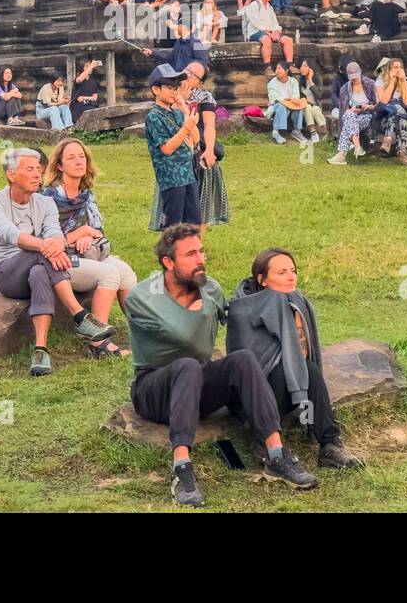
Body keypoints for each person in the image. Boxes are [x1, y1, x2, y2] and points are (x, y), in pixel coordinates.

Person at [127, 224, 318, 507]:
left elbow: (241, 318)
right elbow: (186, 336)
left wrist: (281, 302)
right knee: (188, 365)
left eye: (201, 252)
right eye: (190, 254)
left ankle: (276, 455)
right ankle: (182, 469)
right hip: (154, 389)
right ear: (168, 263)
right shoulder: (142, 297)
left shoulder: (210, 288)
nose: (201, 259)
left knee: (242, 359)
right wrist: (203, 307)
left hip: (197, 384)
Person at [227, 248, 364, 470]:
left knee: (307, 368)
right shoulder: (240, 310)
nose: (291, 277)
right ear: (262, 280)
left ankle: (330, 445)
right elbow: (248, 368)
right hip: (252, 398)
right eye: (282, 272)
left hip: (289, 390)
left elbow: (302, 355)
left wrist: (295, 316)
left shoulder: (295, 302)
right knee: (288, 369)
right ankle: (265, 443)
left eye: (293, 270)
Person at [0, 148, 116, 375]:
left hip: (37, 267)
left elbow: (55, 233)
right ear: (11, 175)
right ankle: (80, 316)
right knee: (40, 254)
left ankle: (40, 350)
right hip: (7, 274)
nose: (38, 174)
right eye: (30, 169)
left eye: (39, 169)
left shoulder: (44, 203)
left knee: (39, 272)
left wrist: (54, 244)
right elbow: (12, 236)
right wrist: (50, 246)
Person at [41, 138, 136, 357]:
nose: (78, 161)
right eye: (71, 157)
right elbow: (47, 242)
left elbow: (98, 230)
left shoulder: (86, 194)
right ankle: (98, 344)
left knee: (125, 272)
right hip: (60, 261)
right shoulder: (48, 198)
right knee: (110, 274)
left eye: (81, 156)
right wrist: (79, 234)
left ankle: (142, 334)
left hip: (88, 251)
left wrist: (88, 234)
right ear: (60, 165)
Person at [146, 63, 202, 229]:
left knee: (193, 222)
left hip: (188, 175)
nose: (174, 91)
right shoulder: (154, 117)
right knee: (173, 225)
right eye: (169, 87)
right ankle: (171, 254)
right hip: (171, 179)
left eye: (176, 87)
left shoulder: (177, 112)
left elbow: (196, 139)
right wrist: (186, 127)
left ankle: (190, 252)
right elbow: (167, 148)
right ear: (156, 89)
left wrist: (184, 109)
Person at [180, 61, 230, 228]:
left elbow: (209, 126)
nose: (188, 74)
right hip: (176, 151)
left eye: (194, 74)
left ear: (200, 82)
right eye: (187, 70)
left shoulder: (204, 96)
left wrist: (209, 150)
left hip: (198, 151)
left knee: (201, 201)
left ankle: (197, 244)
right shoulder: (171, 90)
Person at [328, 61, 378, 166]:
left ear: (360, 72)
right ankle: (355, 148)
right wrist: (352, 110)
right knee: (348, 115)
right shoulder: (345, 89)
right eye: (352, 77)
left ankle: (343, 154)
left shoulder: (370, 84)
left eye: (356, 76)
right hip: (353, 118)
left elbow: (379, 104)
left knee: (348, 117)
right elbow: (343, 113)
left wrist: (368, 106)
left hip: (369, 116)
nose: (354, 79)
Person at [373, 58, 407, 164]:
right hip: (382, 118)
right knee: (398, 110)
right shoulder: (380, 82)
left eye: (400, 67)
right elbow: (384, 101)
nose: (398, 70)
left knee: (399, 114)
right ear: (389, 69)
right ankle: (402, 152)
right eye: (395, 67)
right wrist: (392, 82)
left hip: (396, 118)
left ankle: (389, 139)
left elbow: (406, 102)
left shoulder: (405, 83)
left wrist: (402, 81)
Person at [243, 0, 295, 69]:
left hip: (271, 32)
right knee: (266, 40)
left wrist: (277, 33)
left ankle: (290, 65)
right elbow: (257, 23)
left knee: (288, 40)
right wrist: (269, 34)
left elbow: (275, 23)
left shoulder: (269, 7)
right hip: (256, 32)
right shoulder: (253, 6)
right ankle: (267, 67)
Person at [266, 61, 307, 145]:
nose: (277, 71)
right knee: (281, 106)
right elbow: (275, 99)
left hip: (291, 105)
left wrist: (292, 100)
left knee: (298, 107)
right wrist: (289, 99)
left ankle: (297, 131)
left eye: (280, 69)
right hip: (277, 106)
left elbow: (296, 96)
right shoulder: (272, 83)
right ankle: (276, 132)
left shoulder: (293, 81)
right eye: (276, 69)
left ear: (287, 70)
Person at [296, 60, 325, 142]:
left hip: (316, 106)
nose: (302, 68)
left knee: (314, 109)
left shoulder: (318, 79)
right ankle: (313, 133)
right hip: (304, 106)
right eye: (301, 66)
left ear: (311, 68)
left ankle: (325, 131)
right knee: (308, 107)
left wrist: (311, 81)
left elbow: (319, 96)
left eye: (305, 66)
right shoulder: (299, 81)